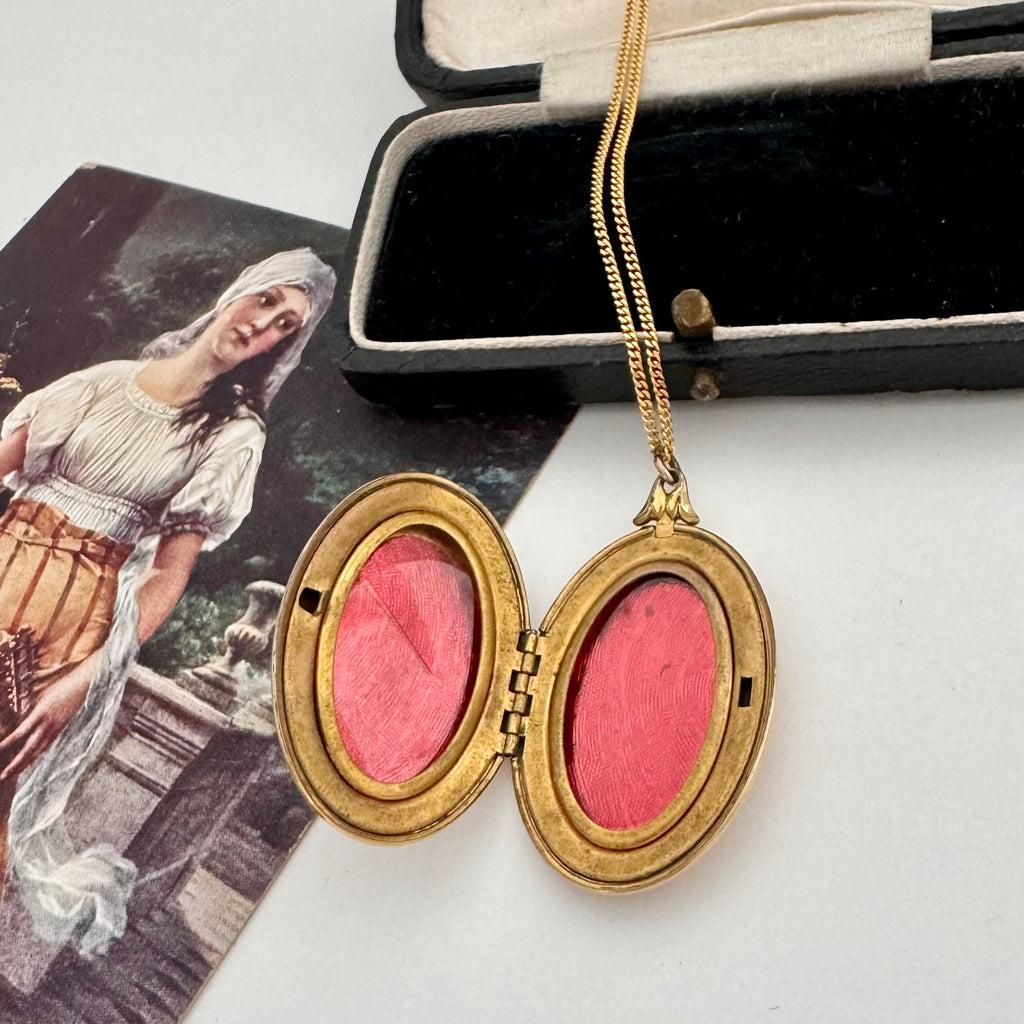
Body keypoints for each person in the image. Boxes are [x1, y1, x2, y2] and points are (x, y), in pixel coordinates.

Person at [0, 247, 335, 955]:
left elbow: (164, 576)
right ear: (236, 293)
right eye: (265, 301)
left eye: (285, 323)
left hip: (70, 619)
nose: (264, 324)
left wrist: (82, 682)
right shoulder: (106, 381)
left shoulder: (232, 435)